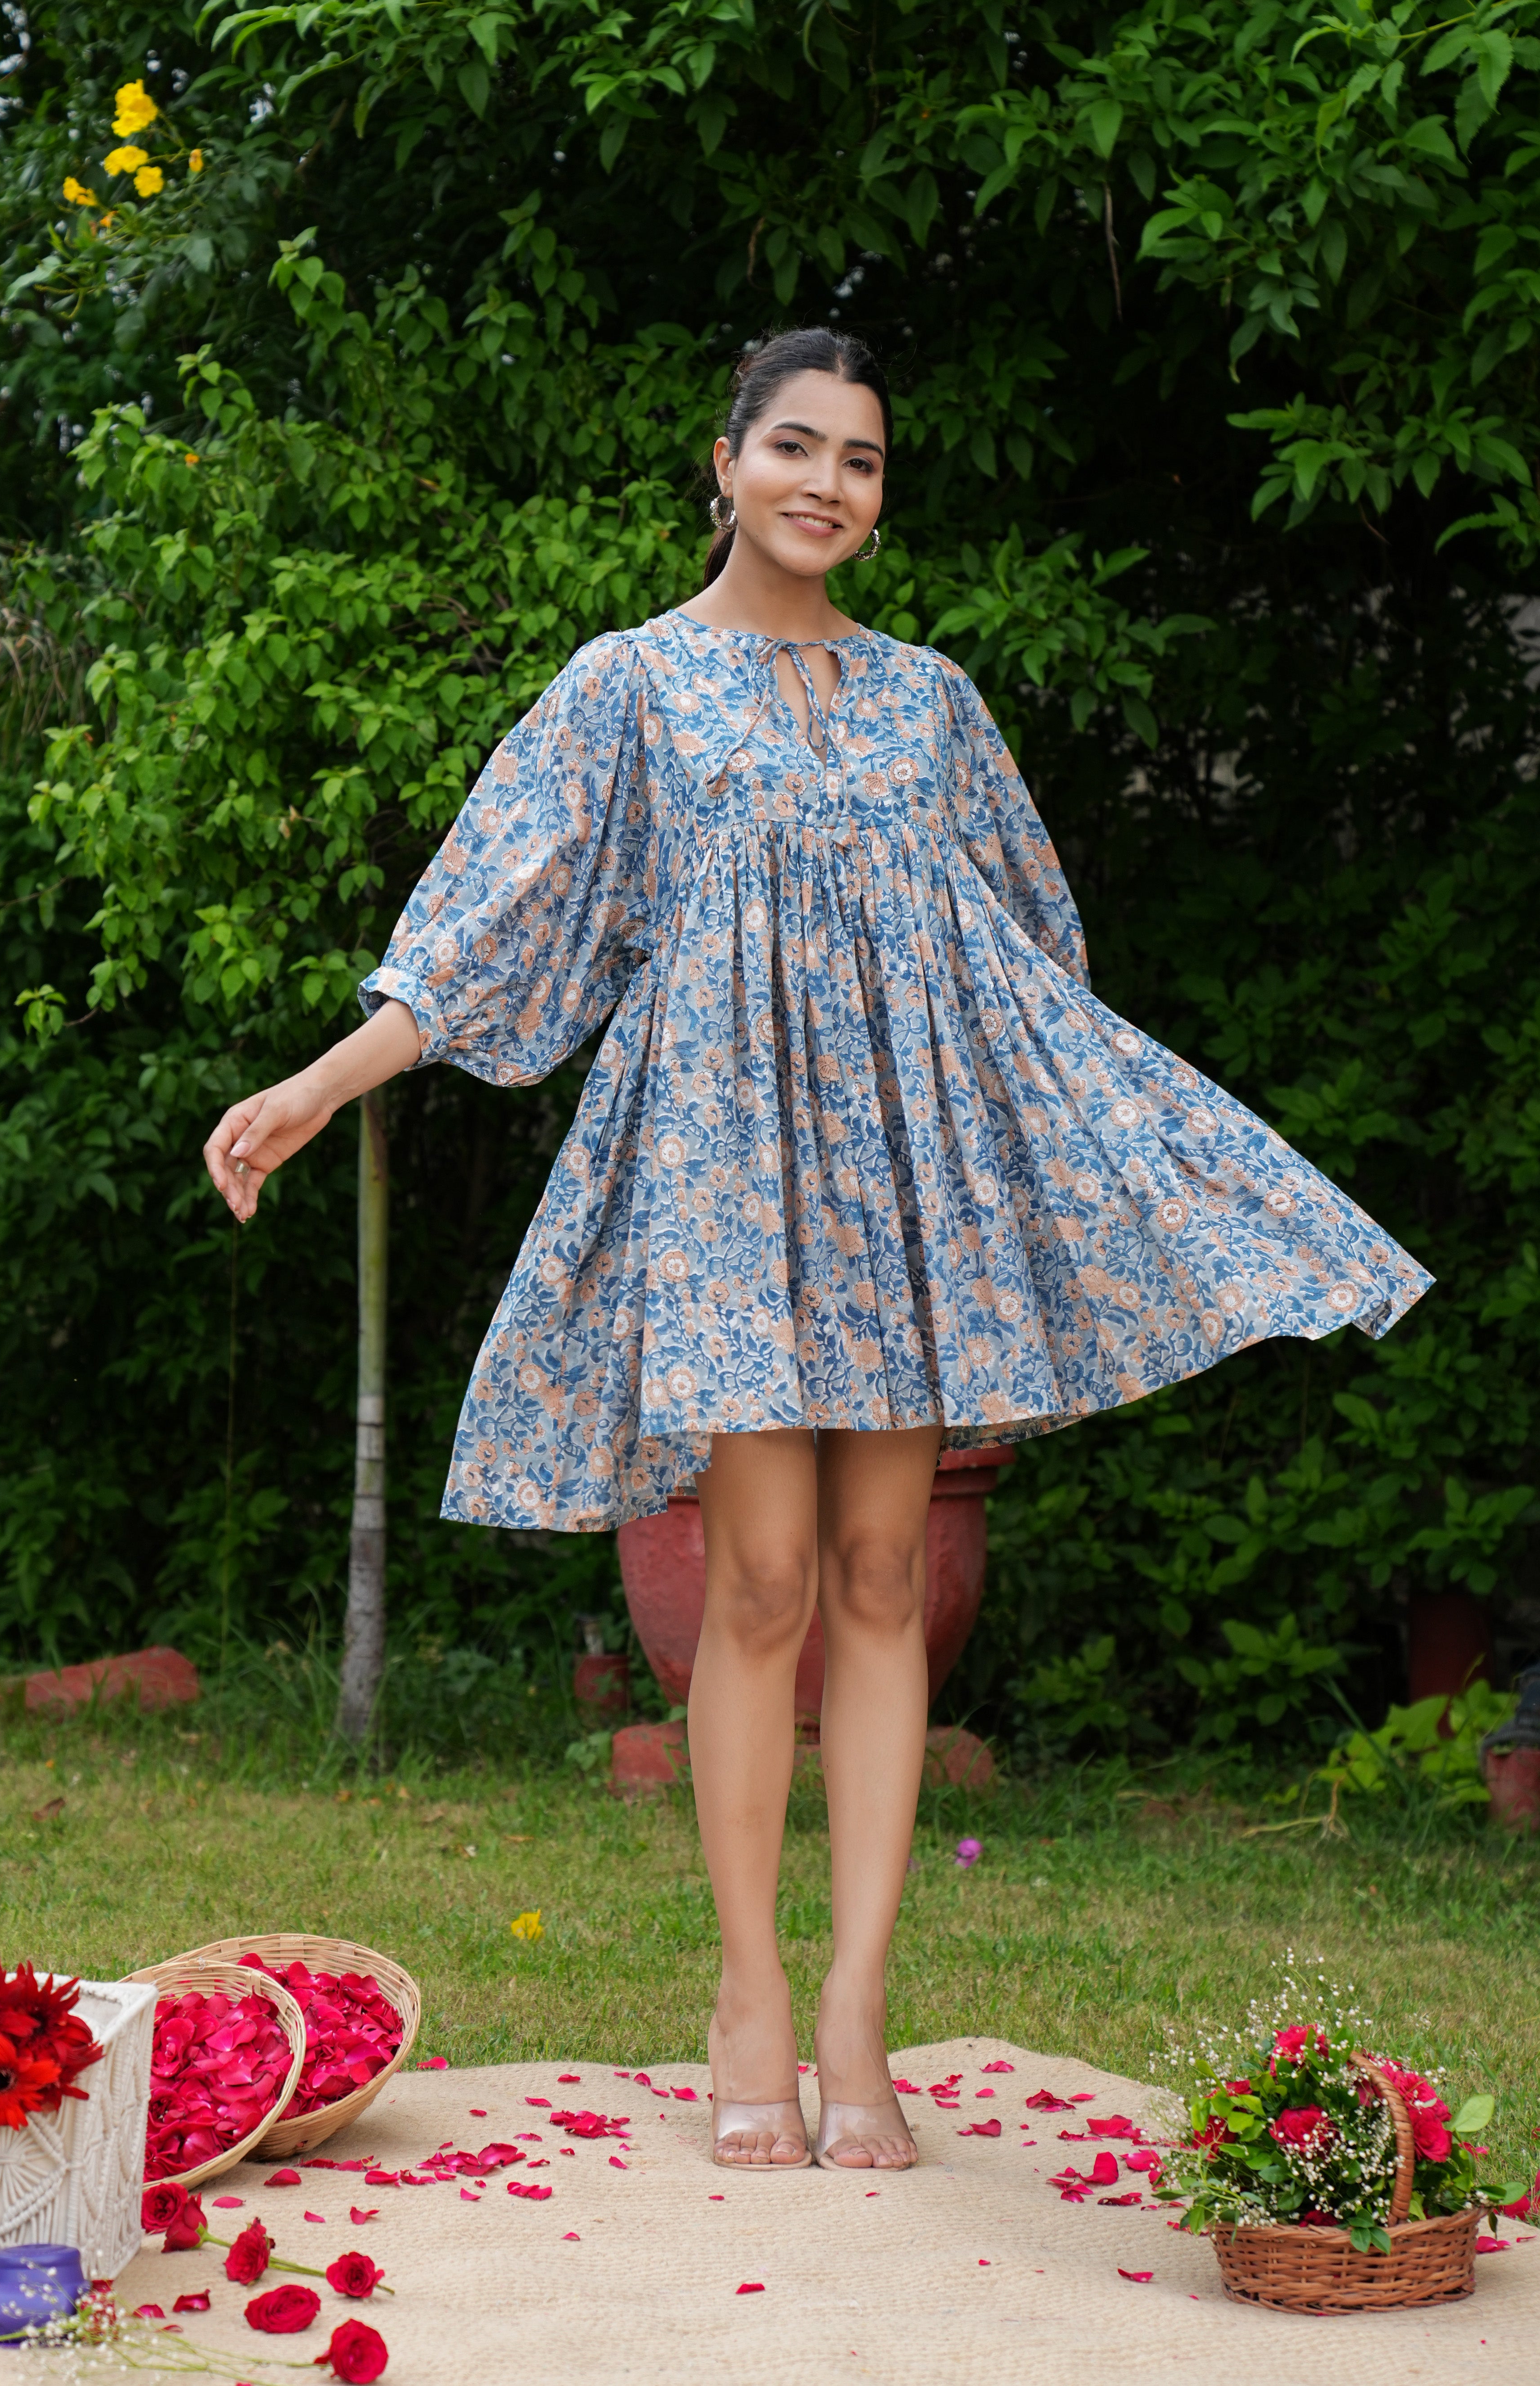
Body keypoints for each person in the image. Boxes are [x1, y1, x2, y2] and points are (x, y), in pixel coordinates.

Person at [203, 326, 1430, 2174]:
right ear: (723, 461)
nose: (827, 485)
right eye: (796, 447)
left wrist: (1049, 1153)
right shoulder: (629, 688)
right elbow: (494, 911)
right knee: (759, 1578)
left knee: (879, 1563)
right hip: (721, 1175)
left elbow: (1029, 956)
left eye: (860, 460)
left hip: (896, 1188)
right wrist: (317, 1082)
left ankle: (860, 2000)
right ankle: (750, 1993)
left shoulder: (932, 702)